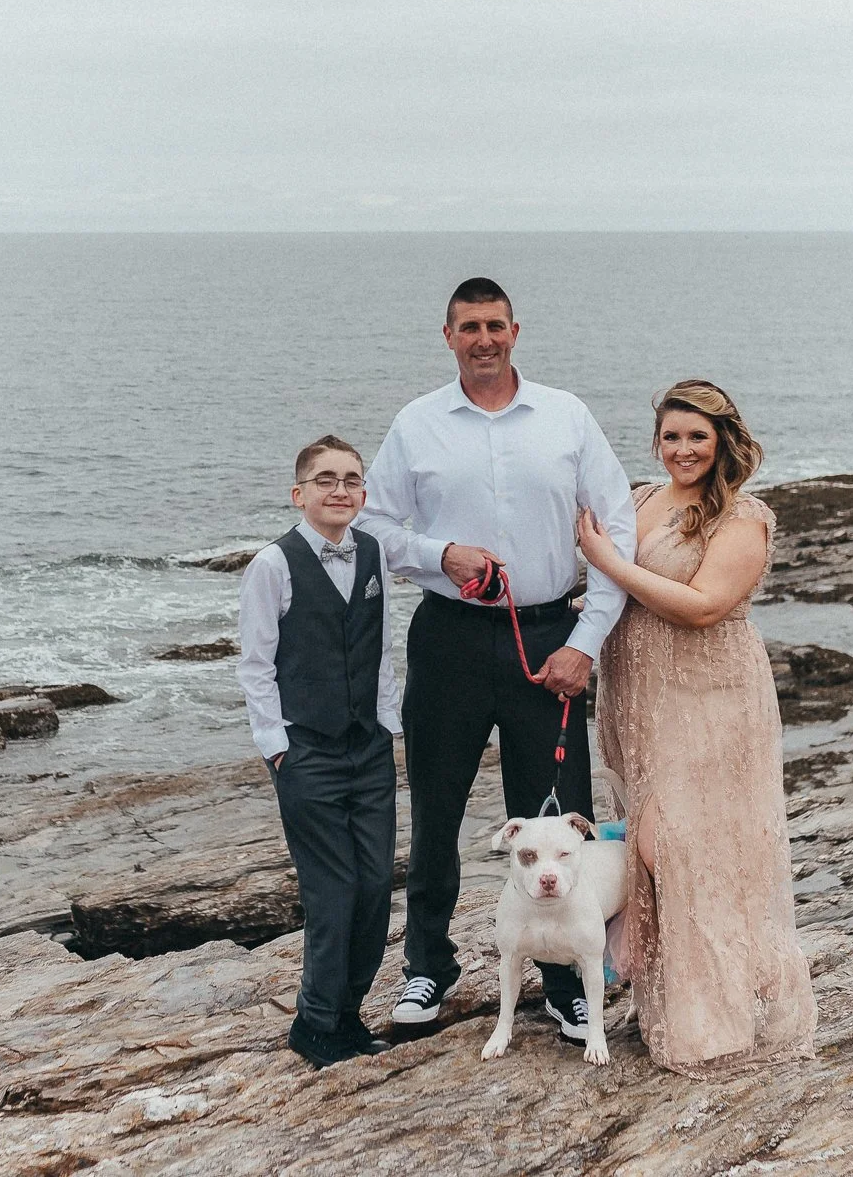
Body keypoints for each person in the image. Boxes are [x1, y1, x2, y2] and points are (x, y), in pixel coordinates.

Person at [355, 277, 636, 1041]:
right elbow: (373, 528)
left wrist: (585, 644)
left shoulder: (566, 415)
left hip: (549, 639)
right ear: (446, 335)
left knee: (557, 814)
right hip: (448, 636)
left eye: (496, 325)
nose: (484, 338)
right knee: (436, 810)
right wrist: (439, 553)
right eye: (468, 327)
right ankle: (426, 966)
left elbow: (616, 529)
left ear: (517, 330)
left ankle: (565, 984)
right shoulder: (416, 425)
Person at [575, 379, 816, 1075]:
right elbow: (590, 572)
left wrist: (611, 564)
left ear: (723, 443)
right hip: (640, 696)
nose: (682, 449)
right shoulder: (644, 498)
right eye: (672, 436)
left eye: (696, 438)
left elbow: (705, 606)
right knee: (652, 848)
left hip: (711, 696)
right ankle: (678, 1002)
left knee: (693, 847)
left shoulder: (743, 516)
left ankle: (716, 1020)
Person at [237, 434, 403, 1069]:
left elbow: (381, 647)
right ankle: (314, 1023)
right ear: (299, 493)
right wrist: (277, 748)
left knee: (375, 885)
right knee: (332, 890)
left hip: (370, 747)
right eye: (326, 480)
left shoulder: (374, 554)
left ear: (364, 493)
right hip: (306, 750)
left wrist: (387, 725)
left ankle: (350, 1012)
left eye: (352, 480)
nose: (341, 490)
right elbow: (255, 666)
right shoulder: (272, 566)